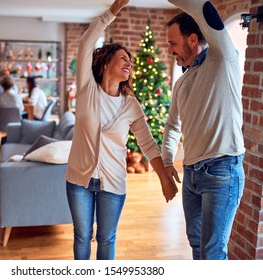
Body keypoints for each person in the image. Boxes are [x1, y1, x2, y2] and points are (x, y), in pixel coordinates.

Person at [65, 0, 178, 260]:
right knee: (82, 235)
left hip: (113, 183)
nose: (129, 63)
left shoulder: (131, 105)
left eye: (130, 60)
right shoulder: (86, 90)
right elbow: (85, 44)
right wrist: (114, 9)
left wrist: (162, 178)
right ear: (105, 64)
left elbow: (148, 144)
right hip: (78, 181)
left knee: (107, 238)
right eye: (122, 58)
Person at [162, 0, 246, 260]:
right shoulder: (182, 82)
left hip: (222, 171)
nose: (169, 50)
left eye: (172, 43)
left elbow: (205, 11)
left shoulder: (222, 60)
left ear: (192, 39)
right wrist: (166, 162)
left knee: (212, 251)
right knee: (196, 244)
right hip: (192, 174)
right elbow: (173, 125)